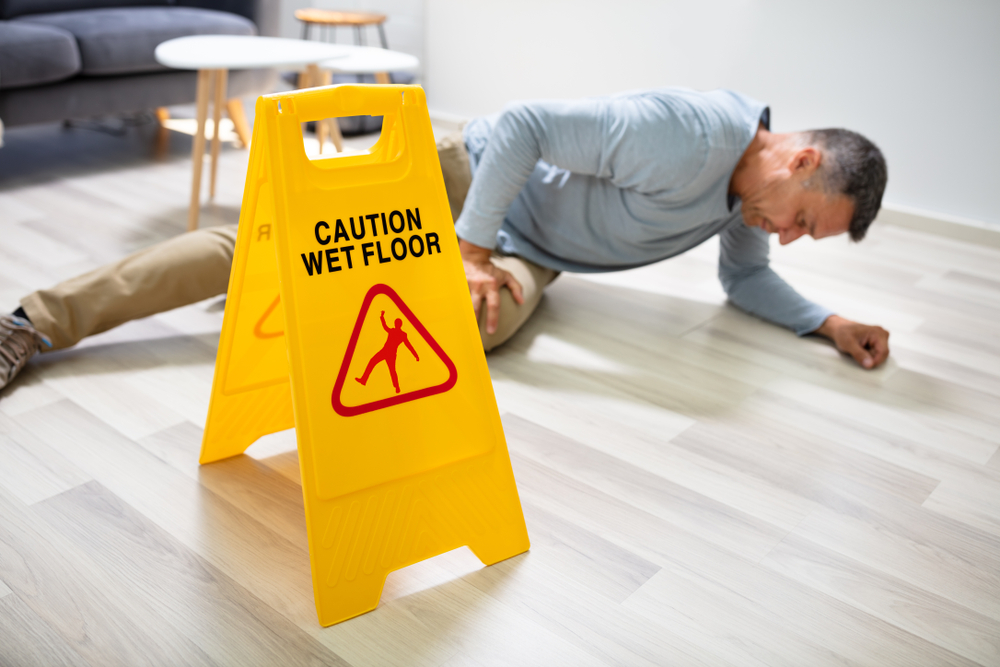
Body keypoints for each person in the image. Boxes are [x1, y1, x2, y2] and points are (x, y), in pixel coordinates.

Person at [0, 87, 890, 393]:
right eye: (806, 220)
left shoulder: (749, 203)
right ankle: (33, 321)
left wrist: (827, 320)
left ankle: (329, 289)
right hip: (473, 175)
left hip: (533, 241)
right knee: (272, 248)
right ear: (800, 159)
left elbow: (745, 282)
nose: (792, 237)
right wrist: (465, 243)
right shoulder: (690, 134)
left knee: (479, 328)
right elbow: (528, 127)